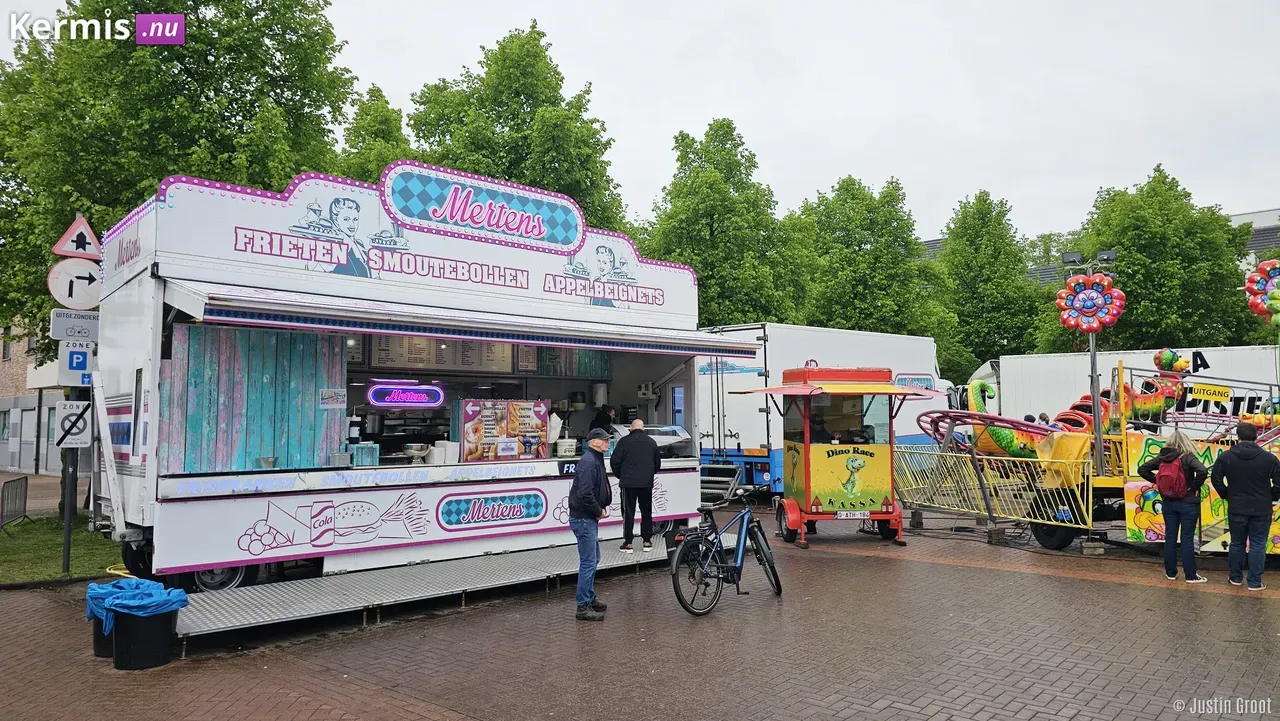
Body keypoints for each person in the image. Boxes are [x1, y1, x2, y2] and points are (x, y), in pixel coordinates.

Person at [1211, 422, 1280, 591]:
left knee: (1237, 543)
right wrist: (1271, 496)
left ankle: (1235, 578)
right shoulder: (1269, 458)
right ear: (1256, 437)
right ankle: (1254, 582)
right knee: (1257, 544)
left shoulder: (1226, 457)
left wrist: (1227, 494)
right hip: (1261, 508)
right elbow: (1279, 482)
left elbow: (1216, 479)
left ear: (1238, 437)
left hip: (1237, 506)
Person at [1138, 430, 1209, 583]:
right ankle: (1190, 576)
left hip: (1168, 502)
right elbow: (1203, 470)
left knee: (1170, 537)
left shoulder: (1162, 458)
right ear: (1186, 442)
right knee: (1186, 539)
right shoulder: (1188, 457)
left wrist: (1158, 481)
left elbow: (1142, 469)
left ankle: (1171, 573)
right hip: (1188, 503)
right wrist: (1192, 487)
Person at [568, 428, 613, 620]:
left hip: (586, 517)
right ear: (593, 441)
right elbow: (585, 493)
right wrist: (598, 510)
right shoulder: (589, 462)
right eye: (604, 440)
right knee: (588, 561)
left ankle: (589, 597)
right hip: (584, 518)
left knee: (593, 559)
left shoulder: (593, 459)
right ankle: (583, 607)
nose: (607, 443)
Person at [610, 419, 661, 553]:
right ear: (643, 429)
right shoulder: (652, 442)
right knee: (647, 512)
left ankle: (628, 543)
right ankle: (647, 541)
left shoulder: (624, 442)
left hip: (628, 483)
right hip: (646, 483)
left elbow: (614, 461)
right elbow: (657, 465)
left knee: (628, 512)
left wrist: (620, 475)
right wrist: (648, 475)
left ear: (631, 428)